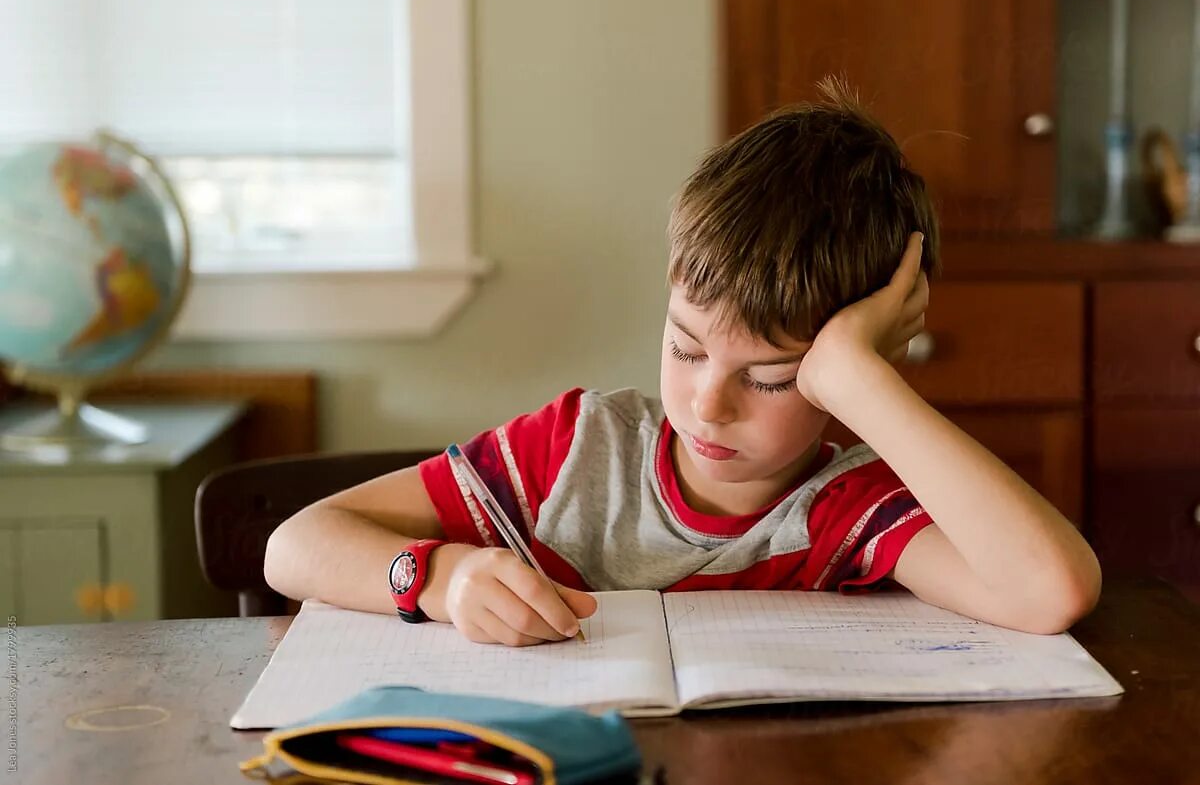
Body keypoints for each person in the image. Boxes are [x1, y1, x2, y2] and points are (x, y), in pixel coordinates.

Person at [263, 80, 1101, 646]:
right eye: (686, 345)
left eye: (771, 375)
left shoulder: (842, 508)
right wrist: (440, 580)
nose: (707, 403)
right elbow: (294, 545)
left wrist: (863, 379)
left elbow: (1048, 590)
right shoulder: (574, 449)